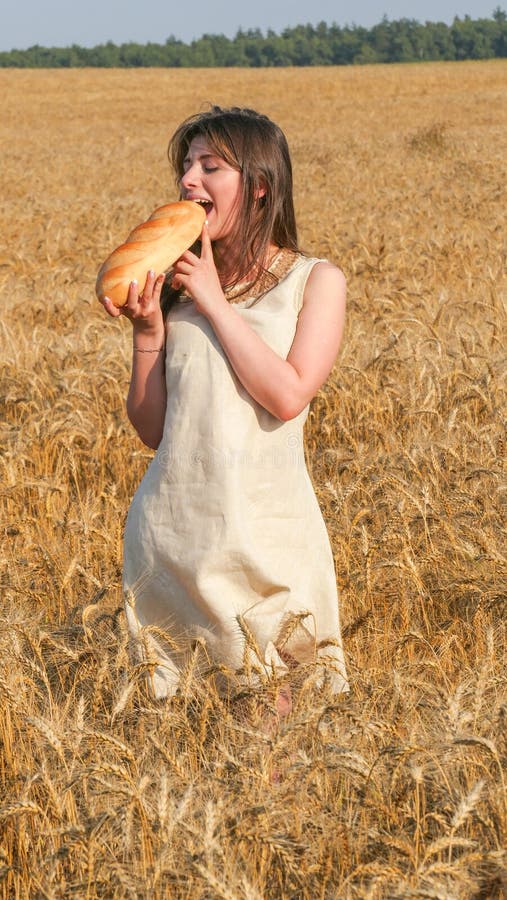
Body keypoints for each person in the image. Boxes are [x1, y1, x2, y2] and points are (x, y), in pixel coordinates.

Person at [99, 105, 349, 705]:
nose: (189, 180)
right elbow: (154, 430)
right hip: (172, 541)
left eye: (210, 166)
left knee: (279, 746)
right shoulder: (174, 293)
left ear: (259, 186)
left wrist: (215, 302)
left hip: (270, 540)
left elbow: (288, 395)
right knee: (179, 749)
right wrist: (149, 332)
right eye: (186, 166)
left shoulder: (314, 282)